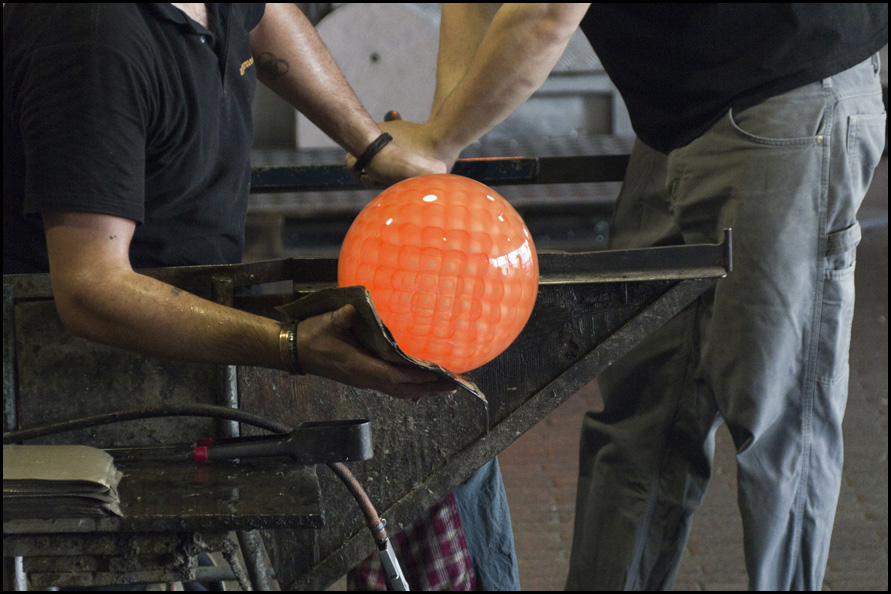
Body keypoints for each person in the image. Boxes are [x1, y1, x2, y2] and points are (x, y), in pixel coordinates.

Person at [371, 3, 888, 590]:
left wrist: (441, 138)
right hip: (672, 119)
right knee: (641, 416)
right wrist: (441, 140)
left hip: (785, 82)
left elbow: (546, 12)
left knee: (776, 416)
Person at [2, 3, 456, 398]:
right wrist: (289, 345)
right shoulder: (92, 42)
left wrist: (372, 145)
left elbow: (264, 15)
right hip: (90, 373)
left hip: (202, 315)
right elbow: (90, 289)